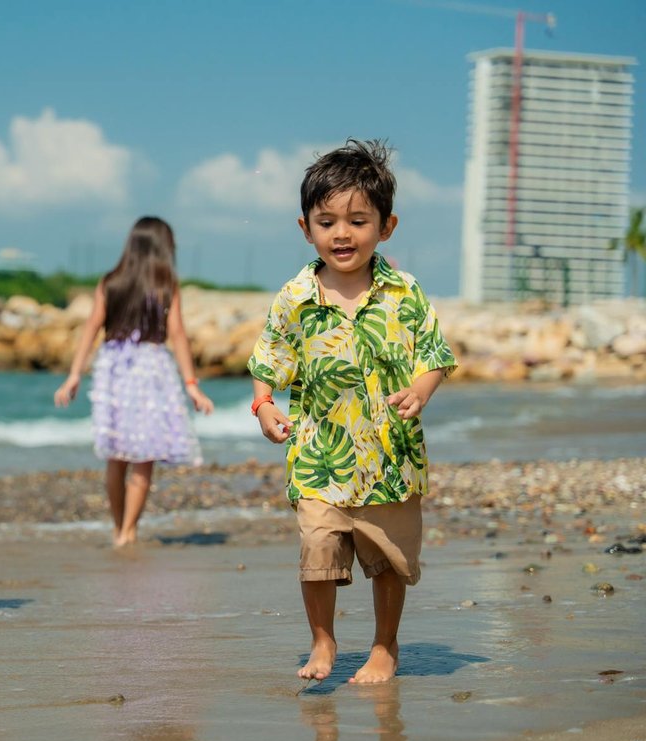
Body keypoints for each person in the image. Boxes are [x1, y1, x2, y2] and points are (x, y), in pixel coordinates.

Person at [247, 140, 457, 684]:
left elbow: (436, 356)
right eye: (327, 221)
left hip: (391, 458)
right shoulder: (295, 297)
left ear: (386, 226)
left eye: (358, 221)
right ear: (305, 228)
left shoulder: (404, 292)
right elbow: (269, 359)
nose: (342, 234)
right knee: (317, 548)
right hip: (319, 453)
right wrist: (265, 404)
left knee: (388, 560)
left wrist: (422, 389)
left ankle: (385, 647)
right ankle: (322, 641)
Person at [54, 216, 214, 548]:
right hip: (152, 372)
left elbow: (91, 329)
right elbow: (178, 335)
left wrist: (74, 375)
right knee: (144, 457)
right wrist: (191, 383)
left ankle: (118, 528)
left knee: (117, 456)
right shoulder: (166, 283)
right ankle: (128, 531)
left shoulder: (110, 282)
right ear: (162, 247)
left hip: (115, 371)